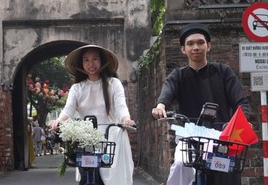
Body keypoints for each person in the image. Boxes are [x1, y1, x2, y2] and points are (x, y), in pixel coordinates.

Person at [151, 23, 250, 185]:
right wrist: (161, 106)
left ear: (208, 46)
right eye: (190, 44)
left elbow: (240, 102)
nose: (195, 47)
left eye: (200, 42)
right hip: (189, 137)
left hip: (222, 137)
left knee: (227, 175)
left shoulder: (224, 72)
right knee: (181, 165)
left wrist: (243, 120)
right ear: (183, 49)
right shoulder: (178, 75)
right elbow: (167, 92)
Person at [50, 45, 135, 185]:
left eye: (95, 59)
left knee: (113, 179)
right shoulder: (77, 88)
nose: (91, 63)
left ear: (102, 61)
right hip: (87, 140)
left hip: (111, 138)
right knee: (87, 177)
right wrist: (58, 120)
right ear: (81, 64)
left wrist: (126, 119)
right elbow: (68, 110)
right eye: (86, 60)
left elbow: (121, 107)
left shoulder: (114, 84)